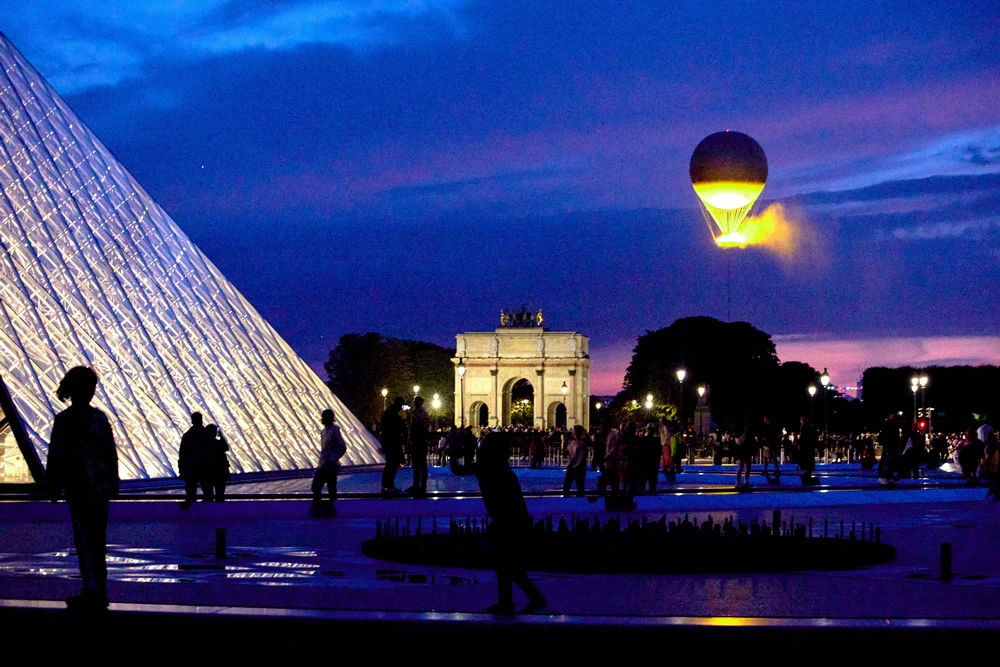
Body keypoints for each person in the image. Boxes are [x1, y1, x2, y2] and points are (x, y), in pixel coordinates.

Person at [45, 366, 119, 610]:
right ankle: (99, 589)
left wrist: (53, 484)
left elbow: (56, 455)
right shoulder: (99, 418)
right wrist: (113, 482)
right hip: (98, 489)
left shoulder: (65, 420)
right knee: (97, 540)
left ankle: (91, 589)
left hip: (78, 488)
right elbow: (110, 453)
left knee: (85, 540)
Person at [462, 433, 546, 614]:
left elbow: (458, 470)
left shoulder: (484, 468)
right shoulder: (505, 472)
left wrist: (454, 451)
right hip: (513, 521)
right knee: (507, 564)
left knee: (505, 564)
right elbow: (518, 501)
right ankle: (522, 598)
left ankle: (517, 599)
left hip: (504, 522)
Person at [311, 409, 347, 515]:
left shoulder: (334, 430)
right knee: (317, 487)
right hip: (323, 464)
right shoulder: (324, 431)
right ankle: (323, 509)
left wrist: (333, 458)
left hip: (330, 465)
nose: (322, 418)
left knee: (328, 488)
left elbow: (342, 447)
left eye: (324, 416)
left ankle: (329, 510)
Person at [178, 412, 207, 508]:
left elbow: (182, 453)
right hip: (204, 466)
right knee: (207, 489)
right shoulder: (207, 434)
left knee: (191, 490)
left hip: (191, 466)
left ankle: (190, 509)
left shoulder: (187, 435)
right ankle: (208, 509)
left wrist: (181, 468)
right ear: (201, 420)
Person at [379, 397, 407, 495]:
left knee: (391, 463)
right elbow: (401, 427)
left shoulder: (389, 413)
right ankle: (388, 484)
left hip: (388, 441)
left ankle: (386, 484)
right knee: (392, 463)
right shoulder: (394, 415)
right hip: (392, 442)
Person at [406, 396, 431, 496]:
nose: (415, 404)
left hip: (419, 441)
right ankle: (419, 485)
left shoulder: (420, 415)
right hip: (419, 441)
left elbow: (418, 427)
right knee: (418, 464)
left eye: (417, 402)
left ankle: (420, 485)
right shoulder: (419, 414)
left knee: (419, 464)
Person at [563, 425, 589, 496]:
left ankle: (579, 501)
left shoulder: (582, 442)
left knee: (579, 485)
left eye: (574, 431)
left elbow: (582, 455)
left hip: (579, 466)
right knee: (566, 485)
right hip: (572, 465)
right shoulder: (571, 441)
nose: (572, 432)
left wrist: (577, 465)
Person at [205, 424, 229, 501]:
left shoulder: (203, 445)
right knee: (220, 494)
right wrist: (221, 436)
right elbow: (226, 447)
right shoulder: (218, 443)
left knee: (208, 494)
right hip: (220, 472)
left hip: (208, 472)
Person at [877, 414, 902, 486]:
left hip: (891, 446)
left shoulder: (892, 425)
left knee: (890, 462)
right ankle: (884, 477)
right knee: (888, 462)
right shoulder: (890, 425)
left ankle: (887, 476)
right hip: (890, 446)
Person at [797, 416, 818, 485]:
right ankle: (808, 472)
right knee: (809, 461)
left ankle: (807, 473)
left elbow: (802, 438)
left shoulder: (804, 427)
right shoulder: (809, 427)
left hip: (805, 448)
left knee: (806, 461)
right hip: (809, 448)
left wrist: (799, 443)